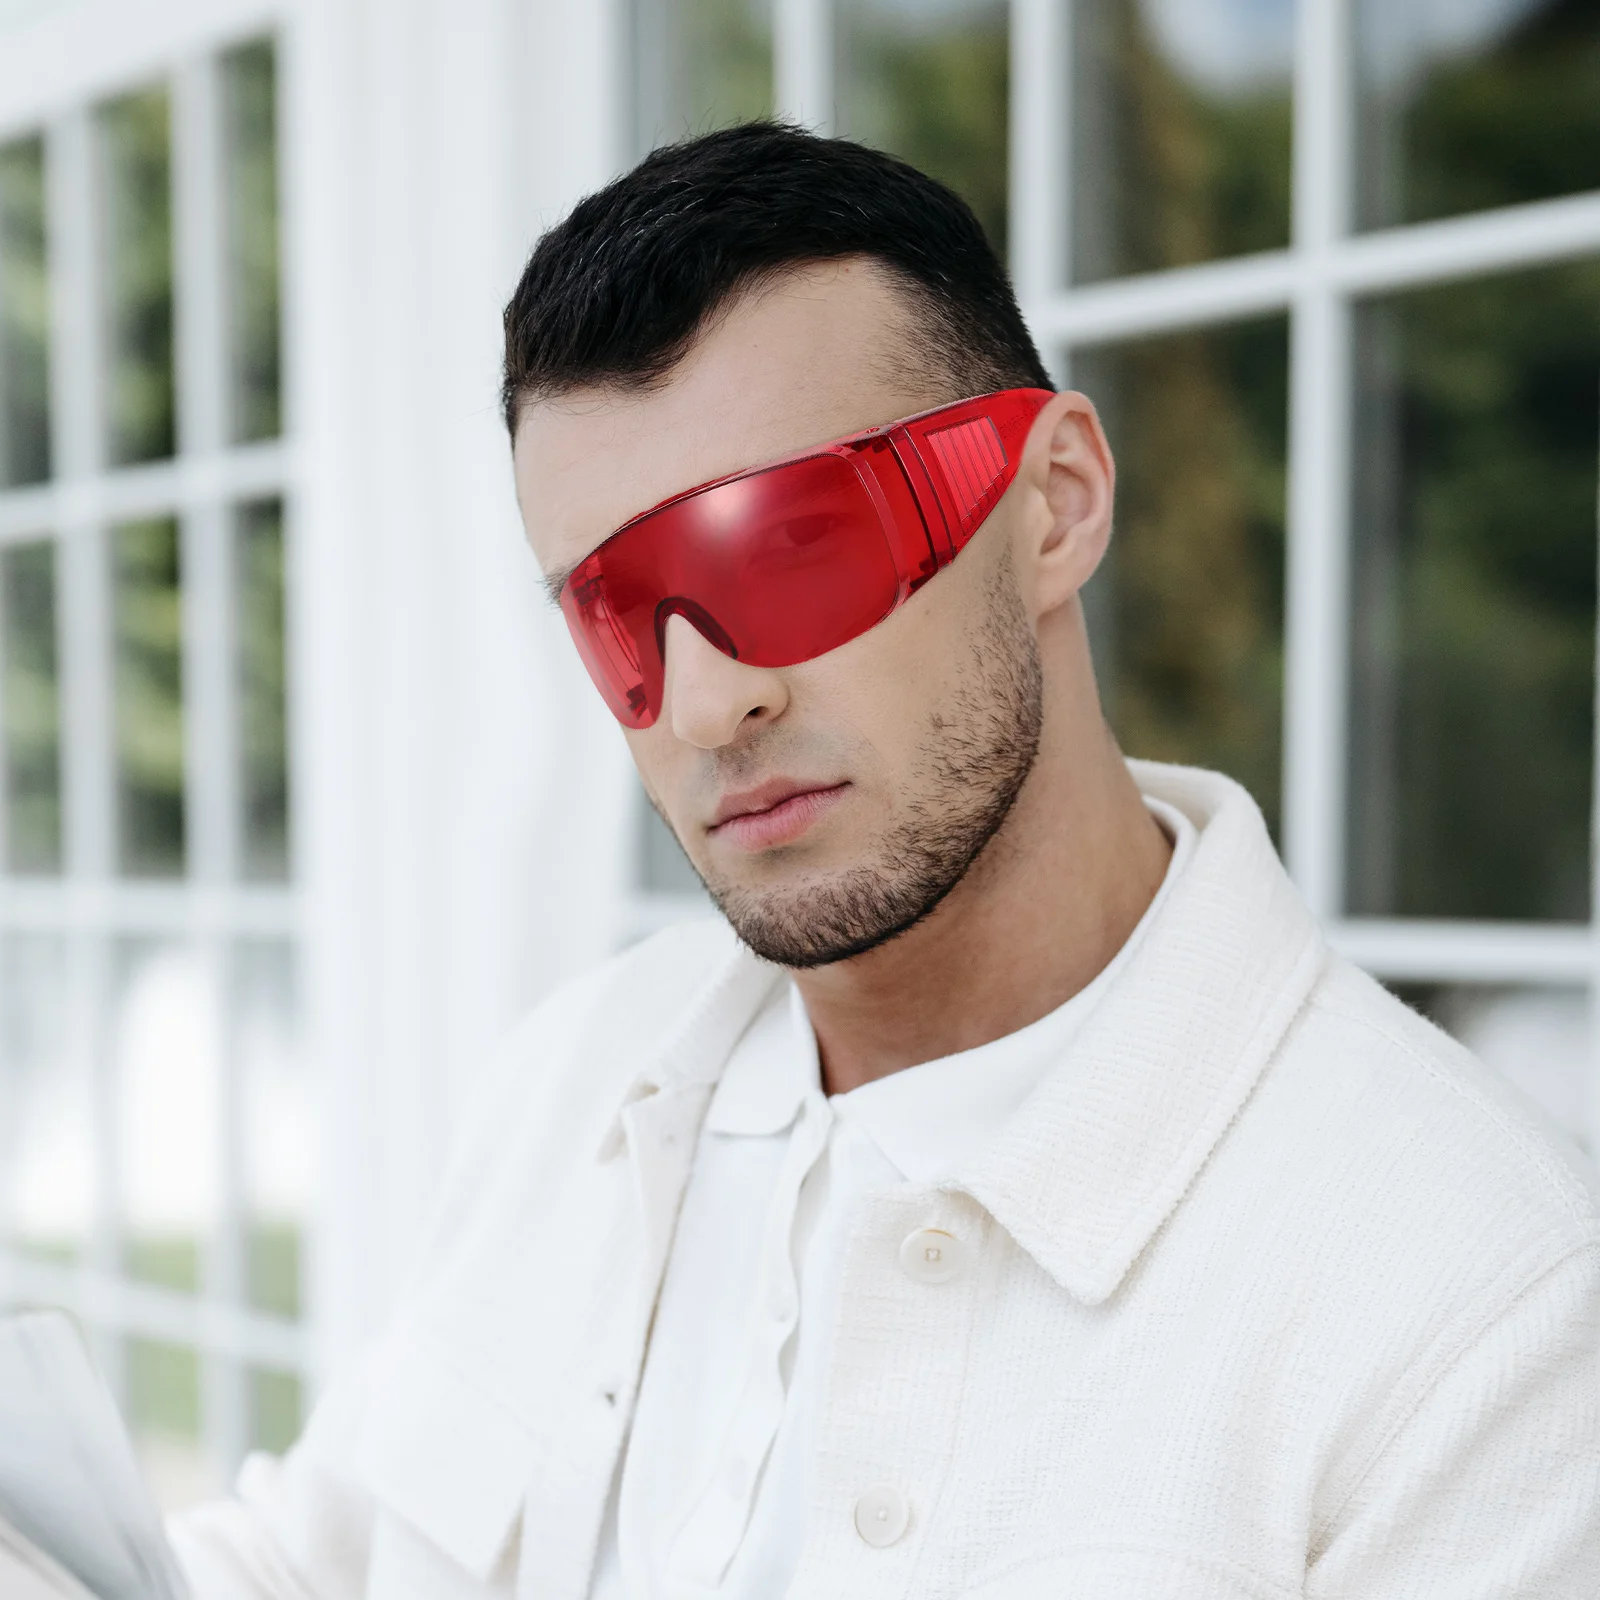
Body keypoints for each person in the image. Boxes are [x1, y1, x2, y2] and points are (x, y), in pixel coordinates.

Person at [172, 123, 1599, 1598]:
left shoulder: (1484, 1327)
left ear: (1051, 503)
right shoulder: (579, 1084)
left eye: (793, 546)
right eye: (616, 614)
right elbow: (302, 1562)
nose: (713, 702)